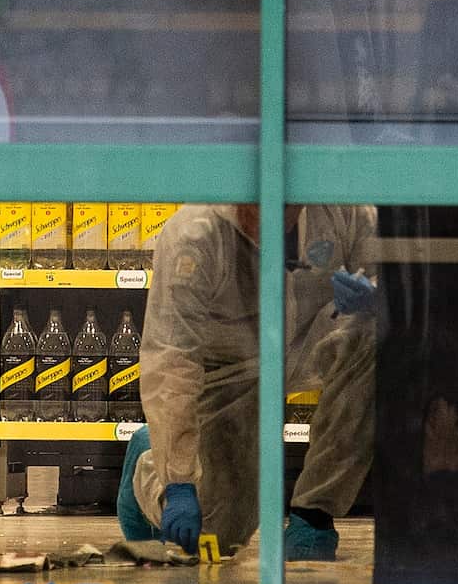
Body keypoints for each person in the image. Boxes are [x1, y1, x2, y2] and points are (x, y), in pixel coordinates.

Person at [117, 204, 378, 561]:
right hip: (227, 371)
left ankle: (313, 515)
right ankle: (149, 465)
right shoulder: (193, 235)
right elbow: (172, 360)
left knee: (376, 331)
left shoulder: (342, 210)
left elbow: (400, 273)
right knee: (217, 535)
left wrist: (379, 293)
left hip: (310, 341)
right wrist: (179, 481)